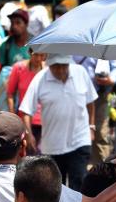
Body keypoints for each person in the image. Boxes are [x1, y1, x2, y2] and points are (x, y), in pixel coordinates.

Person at [19, 54, 97, 191]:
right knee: (56, 189)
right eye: (56, 66)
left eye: (64, 65)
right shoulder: (41, 78)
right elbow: (26, 110)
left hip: (80, 140)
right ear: (49, 64)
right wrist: (29, 133)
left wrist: (91, 126)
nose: (60, 70)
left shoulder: (80, 72)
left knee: (78, 185)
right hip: (52, 146)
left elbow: (90, 102)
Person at [74, 57, 116, 163]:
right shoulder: (74, 42)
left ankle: (103, 169)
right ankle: (83, 167)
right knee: (76, 133)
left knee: (100, 133)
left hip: (100, 96)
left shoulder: (107, 43)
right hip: (75, 95)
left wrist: (110, 79)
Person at [7, 48, 46, 151]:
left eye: (42, 56)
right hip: (23, 120)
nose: (38, 59)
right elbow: (10, 94)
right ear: (29, 53)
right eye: (36, 55)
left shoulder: (48, 70)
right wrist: (12, 118)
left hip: (45, 121)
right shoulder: (18, 68)